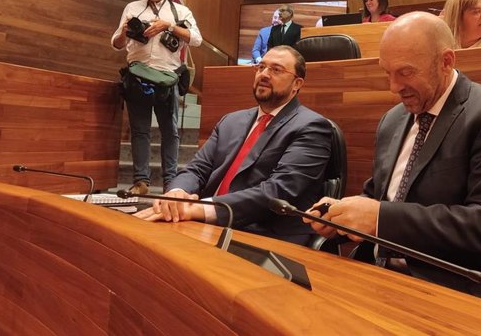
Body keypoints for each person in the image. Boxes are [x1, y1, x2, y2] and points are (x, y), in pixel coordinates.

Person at [305, 12, 481, 303]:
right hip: (378, 278)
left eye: (405, 72)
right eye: (386, 73)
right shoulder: (393, 120)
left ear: (446, 62)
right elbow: (380, 198)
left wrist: (378, 218)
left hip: (458, 286)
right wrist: (340, 218)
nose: (393, 87)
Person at [136, 45, 333, 245]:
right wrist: (177, 194)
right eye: (261, 67)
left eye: (276, 69)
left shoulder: (312, 127)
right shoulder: (230, 121)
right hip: (206, 226)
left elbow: (278, 191)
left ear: (296, 83)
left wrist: (198, 209)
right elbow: (196, 169)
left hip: (264, 236)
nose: (264, 74)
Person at [112, 0, 202, 194]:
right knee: (139, 130)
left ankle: (170, 181)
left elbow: (196, 40)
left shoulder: (181, 12)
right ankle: (141, 181)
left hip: (167, 78)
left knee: (169, 131)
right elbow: (116, 44)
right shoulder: (133, 8)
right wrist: (125, 30)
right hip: (138, 75)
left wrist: (168, 26)